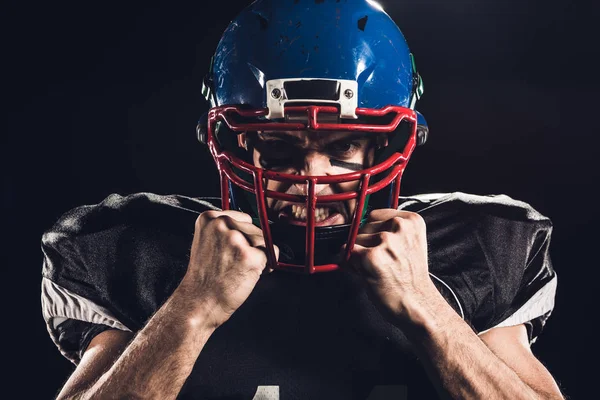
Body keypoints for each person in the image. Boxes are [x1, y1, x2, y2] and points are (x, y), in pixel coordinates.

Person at [40, 1, 565, 399]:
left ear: (384, 144)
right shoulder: (132, 247)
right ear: (234, 142)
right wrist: (191, 307)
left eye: (344, 147)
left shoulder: (480, 243)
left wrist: (426, 306)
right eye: (278, 146)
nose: (311, 177)